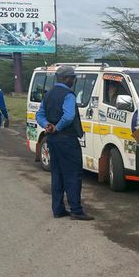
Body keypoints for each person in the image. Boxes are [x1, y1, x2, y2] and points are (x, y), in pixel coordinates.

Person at [35, 66, 94, 221]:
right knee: (73, 174)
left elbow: (39, 114)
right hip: (66, 138)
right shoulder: (69, 95)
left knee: (57, 174)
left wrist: (47, 124)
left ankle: (58, 209)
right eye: (72, 78)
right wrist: (57, 127)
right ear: (66, 78)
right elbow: (69, 116)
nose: (73, 80)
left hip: (52, 140)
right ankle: (76, 209)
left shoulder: (48, 94)